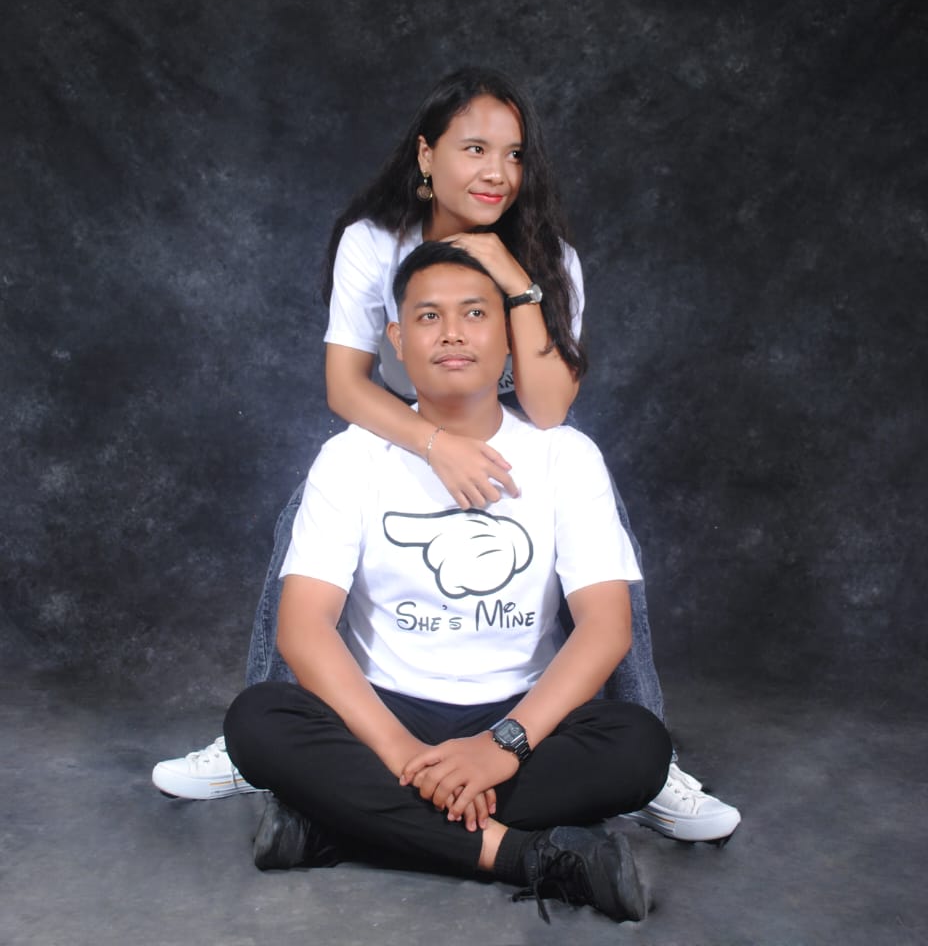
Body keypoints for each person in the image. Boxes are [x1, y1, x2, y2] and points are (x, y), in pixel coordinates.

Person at [152, 67, 739, 843]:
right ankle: (256, 744)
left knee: (601, 550)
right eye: (475, 149)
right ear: (426, 156)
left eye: (514, 154)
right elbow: (345, 386)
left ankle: (647, 764)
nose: (498, 172)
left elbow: (549, 409)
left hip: (510, 427)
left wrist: (514, 278)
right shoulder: (374, 241)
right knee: (309, 516)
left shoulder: (549, 257)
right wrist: (435, 446)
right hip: (401, 423)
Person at [223, 241, 674, 923]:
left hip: (520, 716)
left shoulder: (566, 455)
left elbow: (607, 628)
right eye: (429, 317)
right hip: (386, 716)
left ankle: (337, 827)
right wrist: (404, 753)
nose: (453, 333)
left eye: (475, 313)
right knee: (258, 722)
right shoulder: (351, 457)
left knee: (639, 747)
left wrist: (502, 747)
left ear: (509, 336)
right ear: (398, 340)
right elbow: (302, 629)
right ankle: (527, 856)